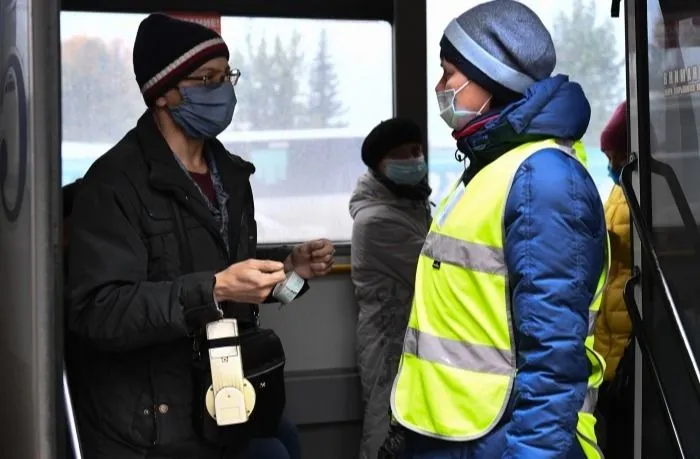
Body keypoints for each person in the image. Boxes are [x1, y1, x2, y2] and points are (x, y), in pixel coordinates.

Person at [65, 14, 334, 459]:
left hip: (221, 399)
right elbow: (98, 313)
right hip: (151, 424)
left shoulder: (230, 175)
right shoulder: (115, 184)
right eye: (207, 79)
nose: (223, 91)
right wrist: (212, 289)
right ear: (163, 93)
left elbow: (235, 295)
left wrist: (291, 273)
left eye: (227, 76)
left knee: (283, 442)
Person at [389, 1, 609, 458]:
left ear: (492, 77)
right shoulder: (489, 169)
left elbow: (553, 358)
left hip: (498, 439)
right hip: (453, 434)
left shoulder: (543, 179)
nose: (440, 88)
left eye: (449, 74)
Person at [349, 118, 431, 459]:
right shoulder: (377, 221)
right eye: (402, 156)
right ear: (379, 166)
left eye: (417, 151)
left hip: (407, 341)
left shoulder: (410, 204)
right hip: (388, 343)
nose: (414, 160)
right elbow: (432, 268)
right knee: (385, 430)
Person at [594, 101, 634, 459]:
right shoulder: (622, 193)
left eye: (612, 154)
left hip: (622, 339)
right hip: (615, 336)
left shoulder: (629, 195)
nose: (609, 164)